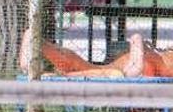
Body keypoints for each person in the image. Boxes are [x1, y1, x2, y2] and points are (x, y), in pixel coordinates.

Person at [19, 29, 173, 77]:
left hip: (137, 68)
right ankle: (62, 77)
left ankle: (39, 42)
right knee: (114, 74)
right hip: (137, 66)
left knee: (82, 67)